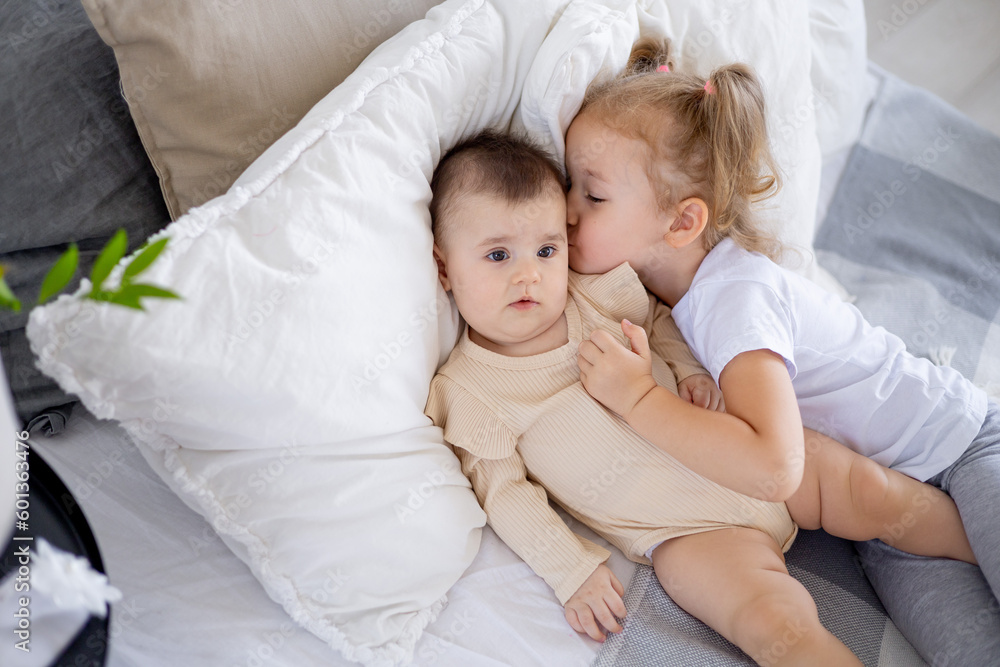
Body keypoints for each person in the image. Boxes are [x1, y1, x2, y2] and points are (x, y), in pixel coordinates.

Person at [424, 128, 975, 666]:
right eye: (498, 257)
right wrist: (571, 570)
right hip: (690, 536)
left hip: (734, 447)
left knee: (875, 493)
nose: (529, 275)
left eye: (546, 249)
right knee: (773, 624)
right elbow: (505, 496)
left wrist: (690, 372)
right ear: (445, 268)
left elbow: (664, 322)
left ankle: (980, 543)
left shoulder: (594, 293)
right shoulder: (470, 391)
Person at [564, 38, 1000, 664]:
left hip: (960, 447)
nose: (567, 211)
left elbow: (774, 466)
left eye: (592, 195)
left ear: (682, 223)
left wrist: (640, 400)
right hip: (884, 526)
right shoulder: (662, 302)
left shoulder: (732, 300)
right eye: (567, 184)